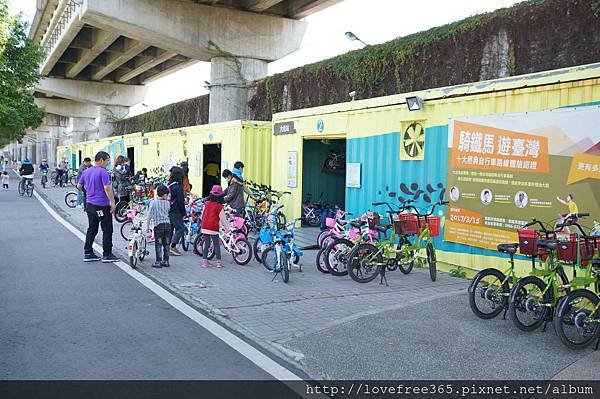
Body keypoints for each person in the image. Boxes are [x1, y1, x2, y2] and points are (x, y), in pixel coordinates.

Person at [77, 151, 118, 263]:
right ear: (101, 160)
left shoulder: (86, 172)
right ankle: (107, 254)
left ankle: (88, 252)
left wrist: (88, 191)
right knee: (107, 229)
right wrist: (113, 202)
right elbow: (107, 188)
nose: (108, 163)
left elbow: (79, 186)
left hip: (90, 205)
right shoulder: (103, 172)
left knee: (92, 228)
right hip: (102, 205)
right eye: (107, 160)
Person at [201, 185, 228, 268]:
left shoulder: (206, 203)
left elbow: (202, 215)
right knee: (216, 244)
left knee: (207, 244)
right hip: (213, 227)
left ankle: (205, 262)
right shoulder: (219, 207)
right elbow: (223, 220)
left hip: (204, 226)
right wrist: (227, 228)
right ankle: (218, 262)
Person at [147, 184, 171, 268]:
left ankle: (158, 261)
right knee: (167, 244)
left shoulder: (153, 202)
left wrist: (147, 227)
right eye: (167, 194)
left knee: (158, 244)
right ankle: (166, 261)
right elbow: (168, 212)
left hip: (158, 225)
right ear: (164, 195)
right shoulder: (168, 203)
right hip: (168, 225)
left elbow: (149, 215)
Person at [168, 166, 186, 256]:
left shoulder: (170, 185)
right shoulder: (178, 187)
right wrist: (184, 212)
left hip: (169, 210)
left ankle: (167, 247)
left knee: (171, 229)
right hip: (176, 211)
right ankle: (173, 246)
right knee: (180, 228)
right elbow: (180, 201)